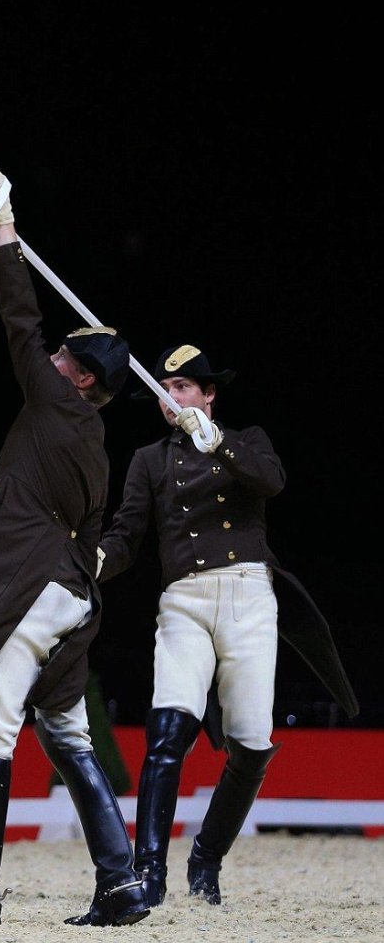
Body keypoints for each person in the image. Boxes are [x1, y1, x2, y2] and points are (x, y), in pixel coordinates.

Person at [0, 164, 149, 929]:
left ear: (79, 380)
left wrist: (2, 222)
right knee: (69, 735)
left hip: (37, 591)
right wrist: (94, 565)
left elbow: (19, 320)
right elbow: (97, 532)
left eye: (63, 361)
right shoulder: (95, 442)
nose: (50, 363)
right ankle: (119, 886)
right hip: (75, 597)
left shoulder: (54, 400)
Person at [98, 344, 359, 907]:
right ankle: (149, 874)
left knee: (252, 741)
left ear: (209, 394)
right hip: (185, 600)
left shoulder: (248, 441)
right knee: (167, 731)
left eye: (184, 388)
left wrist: (217, 441)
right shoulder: (147, 459)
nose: (173, 399)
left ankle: (206, 858)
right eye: (166, 390)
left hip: (247, 597)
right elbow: (127, 534)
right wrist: (95, 560)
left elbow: (271, 481)